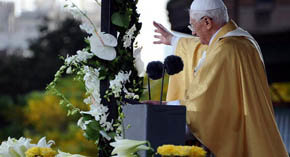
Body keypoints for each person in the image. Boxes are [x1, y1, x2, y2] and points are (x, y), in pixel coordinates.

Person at [146, 0, 289, 156]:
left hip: (237, 132)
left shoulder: (225, 50)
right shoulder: (243, 41)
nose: (193, 32)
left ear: (207, 22)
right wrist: (175, 41)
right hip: (254, 128)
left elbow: (204, 101)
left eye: (192, 26)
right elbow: (207, 50)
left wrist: (168, 106)